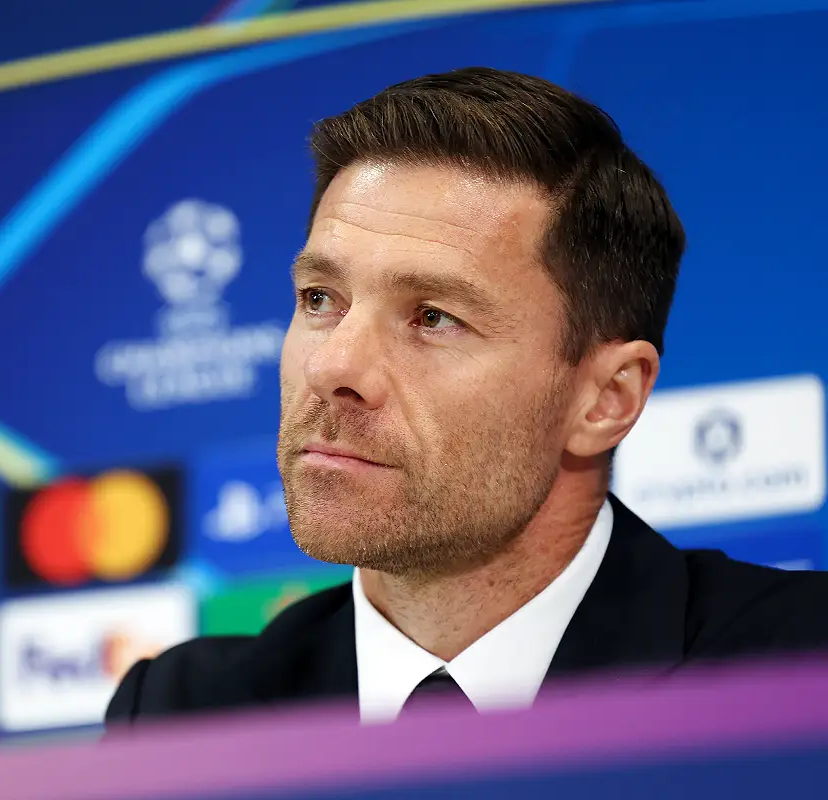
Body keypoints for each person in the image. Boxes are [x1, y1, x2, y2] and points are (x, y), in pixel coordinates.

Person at [105, 67, 828, 728]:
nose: (333, 365)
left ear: (606, 398)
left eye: (433, 317)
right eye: (320, 298)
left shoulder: (799, 670)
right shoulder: (184, 717)